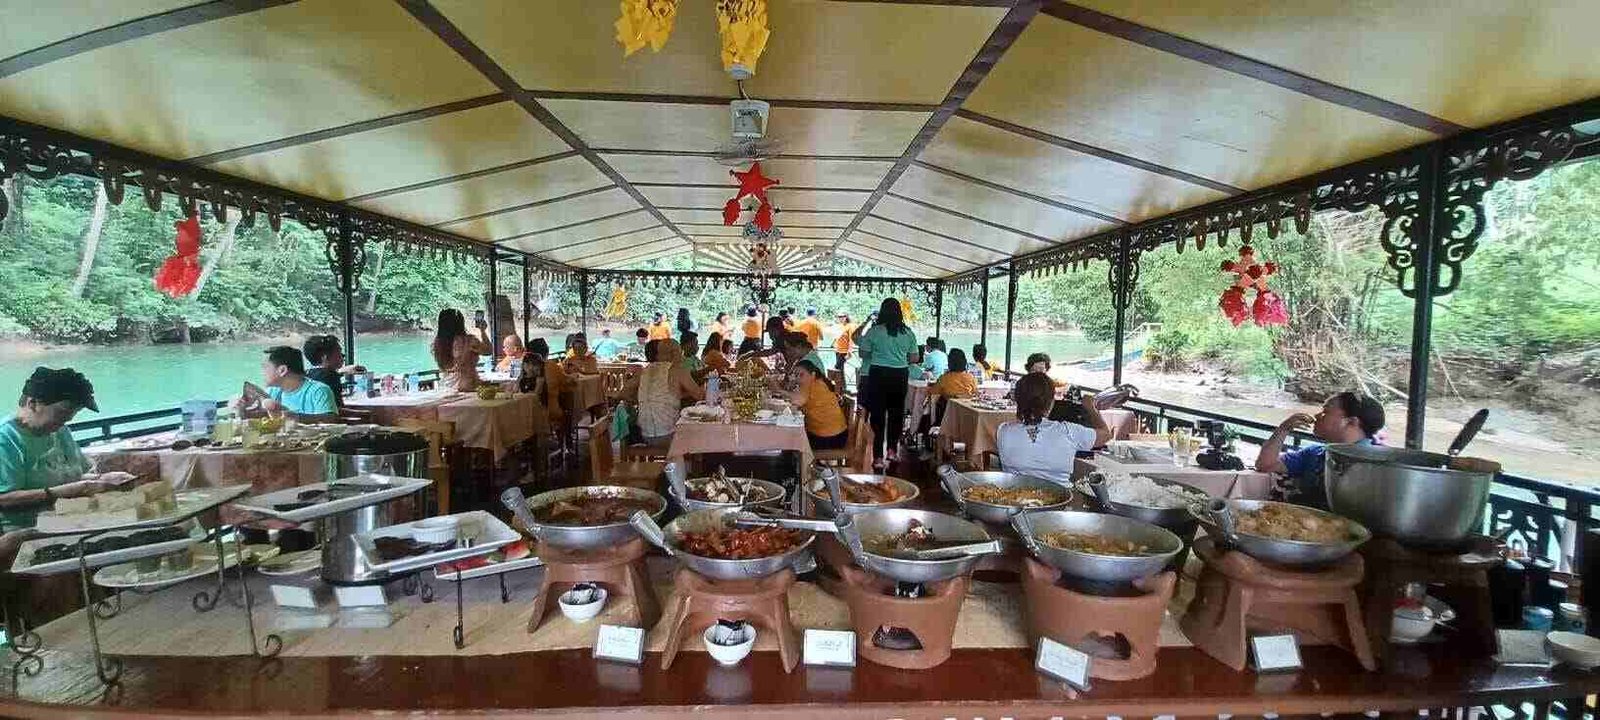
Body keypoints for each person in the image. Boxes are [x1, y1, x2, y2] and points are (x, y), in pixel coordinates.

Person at [0, 368, 135, 531]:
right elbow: (4, 498)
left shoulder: (60, 430)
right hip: (27, 529)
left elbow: (72, 477)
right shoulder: (7, 439)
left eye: (75, 412)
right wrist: (66, 492)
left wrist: (103, 479)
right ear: (33, 403)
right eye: (63, 410)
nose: (69, 418)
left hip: (71, 518)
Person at [1255, 392, 1385, 510]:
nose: (1317, 415)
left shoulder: (1378, 464)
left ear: (1350, 422)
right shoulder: (1315, 454)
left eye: (1325, 411)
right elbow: (1265, 465)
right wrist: (1283, 429)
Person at [995, 372, 1111, 485]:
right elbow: (1106, 434)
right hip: (1059, 499)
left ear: (1017, 400)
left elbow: (1028, 433)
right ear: (1050, 403)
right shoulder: (1068, 431)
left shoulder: (1003, 431)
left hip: (1014, 496)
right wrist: (1091, 408)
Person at [854, 298, 919, 469]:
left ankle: (877, 457)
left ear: (882, 312)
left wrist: (879, 353)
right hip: (899, 375)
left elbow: (863, 353)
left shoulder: (875, 331)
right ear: (899, 313)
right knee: (896, 414)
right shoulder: (908, 333)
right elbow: (914, 358)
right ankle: (892, 450)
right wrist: (899, 357)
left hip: (878, 374)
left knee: (878, 415)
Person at [623, 339, 705, 444]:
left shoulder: (643, 371)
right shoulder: (678, 370)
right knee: (701, 433)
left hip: (644, 434)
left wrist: (640, 400)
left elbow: (623, 393)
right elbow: (700, 396)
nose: (682, 356)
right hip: (669, 434)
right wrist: (706, 383)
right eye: (681, 352)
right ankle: (683, 459)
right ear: (675, 353)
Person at [242, 346, 338, 420]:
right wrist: (241, 410)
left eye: (265, 367)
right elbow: (260, 419)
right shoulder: (272, 392)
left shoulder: (319, 390)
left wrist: (294, 417)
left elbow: (330, 420)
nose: (262, 372)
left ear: (282, 370)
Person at [789, 360, 848, 450]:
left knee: (793, 441)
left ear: (812, 374)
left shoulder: (812, 384)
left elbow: (798, 401)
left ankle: (800, 462)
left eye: (801, 375)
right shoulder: (817, 382)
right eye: (796, 375)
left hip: (829, 438)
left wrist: (778, 389)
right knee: (795, 436)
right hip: (837, 435)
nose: (798, 378)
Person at [431, 308, 491, 392]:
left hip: (447, 386)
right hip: (467, 385)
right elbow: (488, 351)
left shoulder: (438, 344)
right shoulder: (468, 341)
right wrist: (482, 331)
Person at [302, 335, 363, 407]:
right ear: (325, 357)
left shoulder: (307, 374)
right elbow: (337, 410)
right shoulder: (331, 376)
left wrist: (341, 371)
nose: (343, 356)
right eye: (339, 352)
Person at [528, 339, 568, 426]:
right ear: (547, 352)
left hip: (527, 412)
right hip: (550, 410)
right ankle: (568, 434)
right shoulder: (553, 367)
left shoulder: (525, 368)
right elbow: (566, 384)